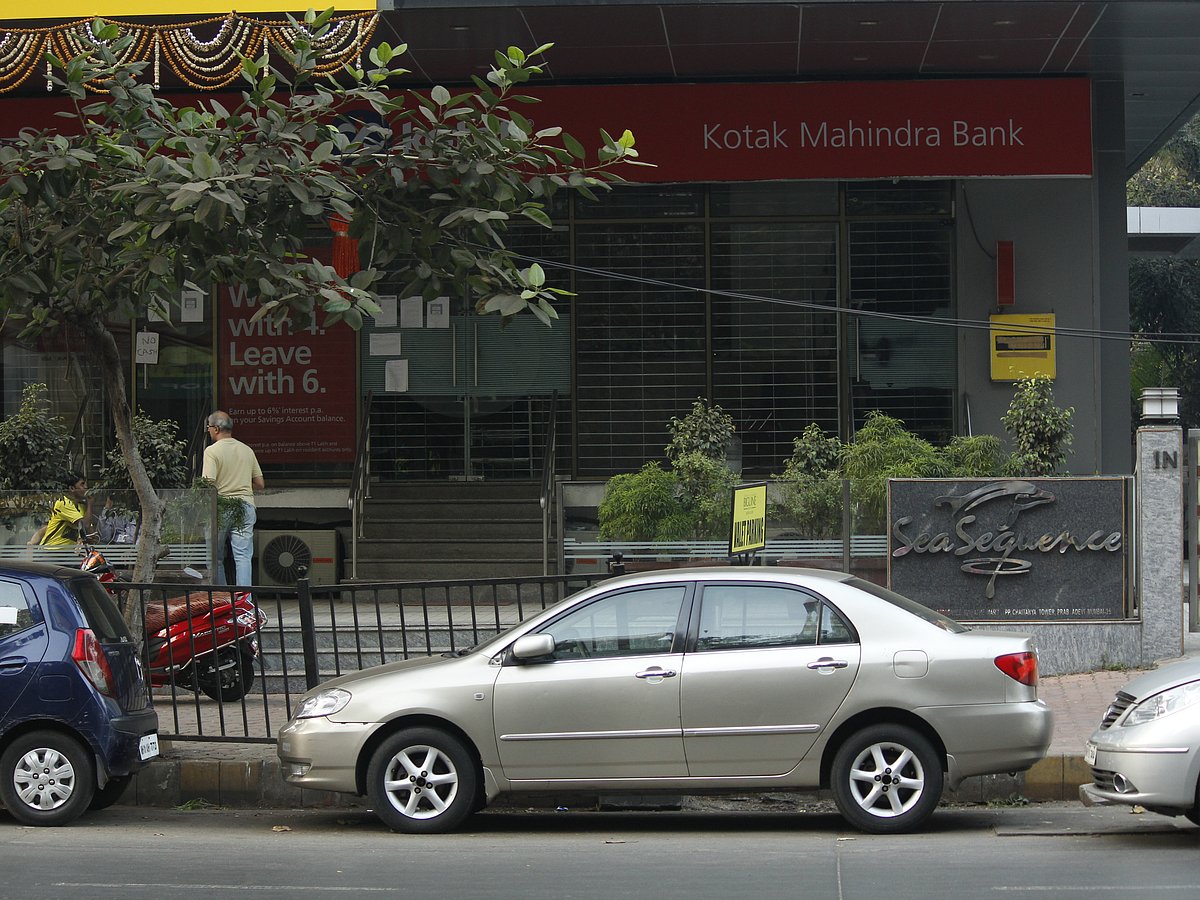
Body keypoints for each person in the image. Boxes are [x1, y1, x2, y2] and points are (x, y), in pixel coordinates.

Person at [202, 410, 264, 586]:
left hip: (221, 506)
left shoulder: (212, 451)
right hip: (245, 505)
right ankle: (244, 599)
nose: (208, 430)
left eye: (208, 427)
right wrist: (241, 483)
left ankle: (221, 597)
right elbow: (260, 483)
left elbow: (207, 483)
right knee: (243, 556)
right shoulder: (246, 450)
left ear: (216, 429)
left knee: (215, 557)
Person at [29, 471, 94, 546]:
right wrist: (90, 504)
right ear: (72, 488)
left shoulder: (81, 506)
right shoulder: (63, 503)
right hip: (51, 549)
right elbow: (85, 526)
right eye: (82, 484)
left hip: (68, 550)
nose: (86, 487)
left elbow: (89, 532)